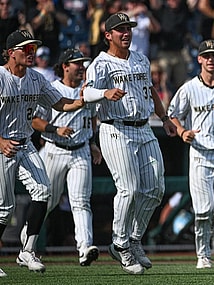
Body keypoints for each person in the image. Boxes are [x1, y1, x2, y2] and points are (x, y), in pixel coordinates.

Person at [82, 12, 177, 275]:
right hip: (115, 129)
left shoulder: (141, 59)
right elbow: (86, 93)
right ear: (108, 35)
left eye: (129, 28)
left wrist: (165, 117)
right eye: (120, 29)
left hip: (144, 127)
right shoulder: (100, 64)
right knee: (130, 188)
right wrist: (104, 92)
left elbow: (151, 91)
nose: (126, 33)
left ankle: (133, 239)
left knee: (156, 188)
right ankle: (120, 244)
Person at [0, 30, 85, 276]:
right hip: (4, 145)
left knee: (43, 190)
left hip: (25, 143)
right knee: (4, 209)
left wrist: (81, 101)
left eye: (33, 48)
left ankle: (27, 250)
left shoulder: (36, 78)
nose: (31, 52)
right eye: (25, 48)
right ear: (10, 52)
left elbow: (59, 103)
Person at [167, 39, 214, 269]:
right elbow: (172, 114)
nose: (210, 59)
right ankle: (203, 254)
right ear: (199, 59)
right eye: (206, 55)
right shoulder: (189, 87)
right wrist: (181, 131)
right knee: (203, 210)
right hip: (201, 153)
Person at [30, 48, 101, 266]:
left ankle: (84, 248)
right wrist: (54, 129)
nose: (81, 67)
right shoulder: (52, 89)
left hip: (80, 150)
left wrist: (92, 143)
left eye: (82, 63)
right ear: (64, 66)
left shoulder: (87, 90)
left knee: (81, 201)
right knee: (47, 202)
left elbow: (92, 118)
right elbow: (34, 120)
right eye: (76, 63)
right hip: (55, 149)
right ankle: (27, 242)